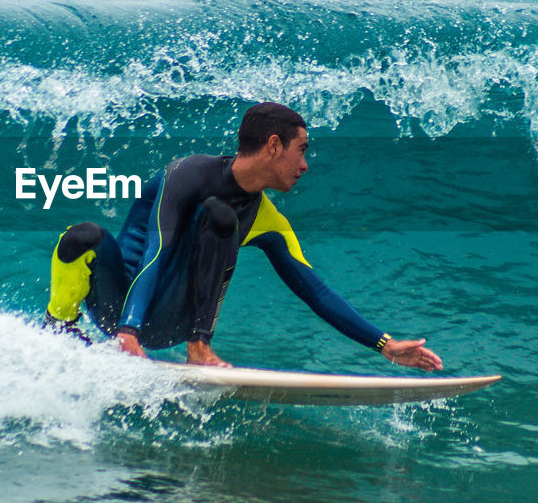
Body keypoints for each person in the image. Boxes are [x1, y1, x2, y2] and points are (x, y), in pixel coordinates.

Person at [41, 102, 443, 370]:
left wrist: (385, 345)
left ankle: (200, 347)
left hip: (172, 319)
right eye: (300, 150)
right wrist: (127, 331)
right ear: (273, 146)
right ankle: (59, 326)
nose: (304, 165)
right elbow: (157, 251)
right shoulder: (186, 174)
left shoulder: (268, 219)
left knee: (221, 216)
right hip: (122, 305)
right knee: (83, 235)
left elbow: (315, 292)